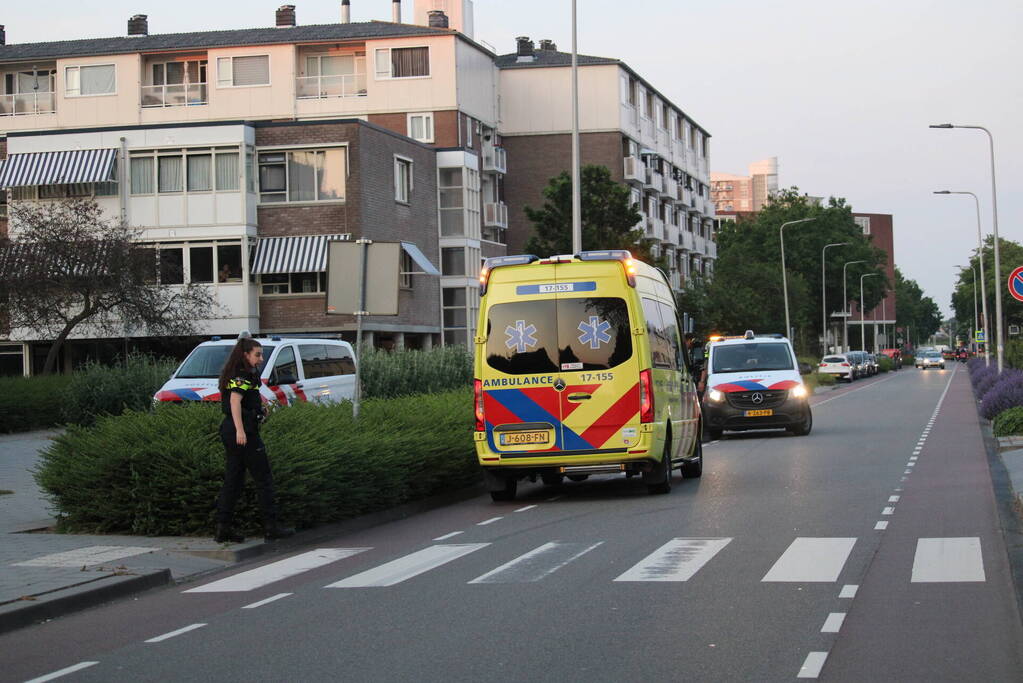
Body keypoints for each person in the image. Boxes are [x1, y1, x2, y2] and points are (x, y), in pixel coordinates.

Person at [214, 337, 294, 543]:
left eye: (261, 354)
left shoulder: (242, 373)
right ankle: (271, 527)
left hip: (233, 432)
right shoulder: (241, 374)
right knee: (264, 479)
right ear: (245, 355)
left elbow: (246, 401)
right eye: (257, 354)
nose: (261, 358)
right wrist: (241, 430)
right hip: (242, 434)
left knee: (234, 480)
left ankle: (223, 528)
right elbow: (234, 402)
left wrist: (260, 410)